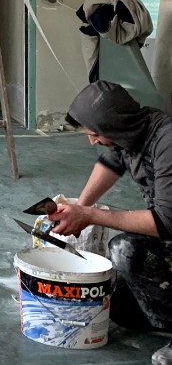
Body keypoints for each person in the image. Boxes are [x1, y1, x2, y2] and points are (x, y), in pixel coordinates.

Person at [56, 80, 172, 365]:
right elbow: (110, 164)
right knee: (114, 305)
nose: (92, 141)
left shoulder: (167, 142)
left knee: (126, 250)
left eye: (95, 134)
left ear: (114, 127)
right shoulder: (131, 132)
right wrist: (78, 208)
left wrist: (90, 216)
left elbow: (166, 222)